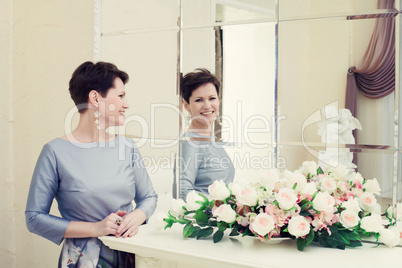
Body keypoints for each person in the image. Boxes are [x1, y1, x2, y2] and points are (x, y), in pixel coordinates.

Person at [25, 61, 158, 267]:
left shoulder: (127, 147)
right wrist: (95, 228)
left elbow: (148, 197)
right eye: (121, 96)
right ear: (95, 98)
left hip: (129, 253)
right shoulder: (55, 152)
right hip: (83, 260)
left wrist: (137, 216)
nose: (126, 104)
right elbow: (34, 218)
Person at [179, 68, 235, 200]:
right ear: (186, 106)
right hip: (203, 218)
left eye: (212, 98)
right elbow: (183, 191)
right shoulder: (191, 142)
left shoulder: (211, 140)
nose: (207, 105)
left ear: (218, 101)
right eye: (199, 100)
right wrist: (216, 208)